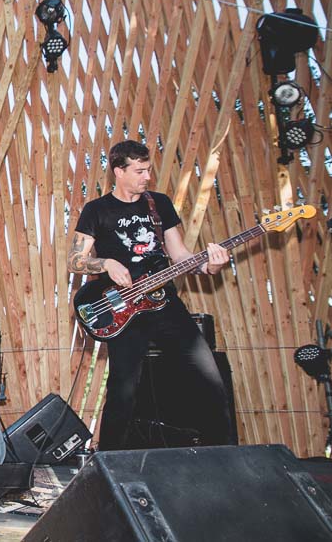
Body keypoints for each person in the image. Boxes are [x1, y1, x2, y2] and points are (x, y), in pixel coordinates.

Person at [68, 140, 233, 450]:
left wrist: (209, 267)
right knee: (123, 389)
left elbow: (181, 256)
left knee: (209, 376)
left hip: (165, 302)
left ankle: (223, 452)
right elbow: (74, 260)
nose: (147, 177)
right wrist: (105, 262)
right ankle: (111, 461)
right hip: (123, 308)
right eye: (140, 171)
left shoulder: (159, 204)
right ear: (119, 171)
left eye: (148, 170)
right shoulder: (97, 210)